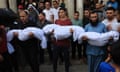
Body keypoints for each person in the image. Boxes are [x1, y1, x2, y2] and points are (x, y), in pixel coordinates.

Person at [52, 8, 72, 72]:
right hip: (57, 43)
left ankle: (67, 70)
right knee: (55, 58)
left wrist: (71, 32)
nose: (61, 14)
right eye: (59, 12)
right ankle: (54, 70)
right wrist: (52, 31)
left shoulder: (69, 21)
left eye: (62, 12)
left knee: (66, 59)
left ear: (65, 12)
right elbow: (54, 30)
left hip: (66, 43)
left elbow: (70, 32)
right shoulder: (56, 21)